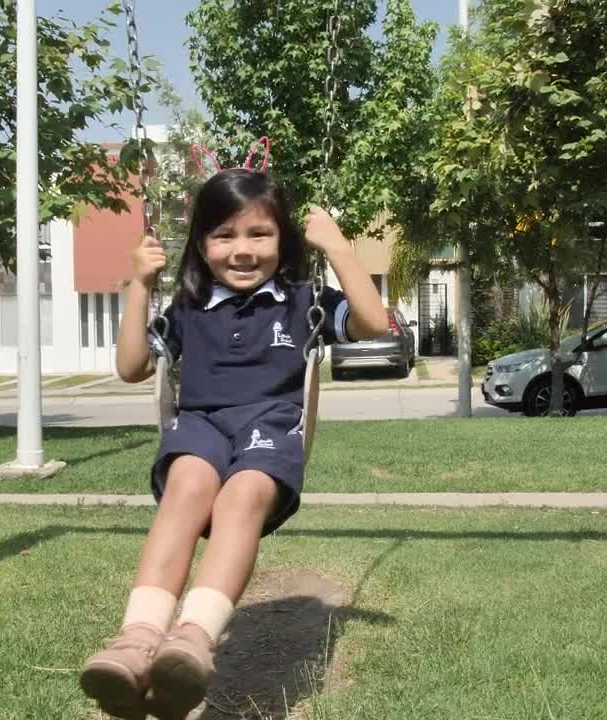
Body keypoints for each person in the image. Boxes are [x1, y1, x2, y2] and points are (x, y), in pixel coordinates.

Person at [79, 167, 388, 720]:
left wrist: (338, 246)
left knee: (240, 497)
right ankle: (138, 639)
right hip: (200, 428)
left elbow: (371, 322)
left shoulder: (302, 301)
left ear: (283, 240)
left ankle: (193, 638)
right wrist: (140, 286)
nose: (241, 251)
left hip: (270, 430)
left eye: (259, 235)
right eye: (224, 236)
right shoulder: (189, 306)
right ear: (201, 243)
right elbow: (131, 367)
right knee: (186, 485)